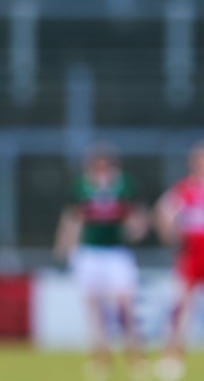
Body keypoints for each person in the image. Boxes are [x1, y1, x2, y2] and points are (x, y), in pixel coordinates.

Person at [53, 142, 150, 381]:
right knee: (95, 307)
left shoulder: (125, 186)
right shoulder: (81, 187)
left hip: (117, 252)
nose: (102, 171)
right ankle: (101, 356)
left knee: (125, 304)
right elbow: (71, 220)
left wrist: (136, 229)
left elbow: (138, 218)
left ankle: (134, 355)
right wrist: (63, 248)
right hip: (90, 252)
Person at [153, 140, 204, 380]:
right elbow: (163, 211)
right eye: (201, 160)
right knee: (183, 307)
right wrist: (171, 237)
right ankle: (173, 356)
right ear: (194, 163)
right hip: (193, 255)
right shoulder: (186, 189)